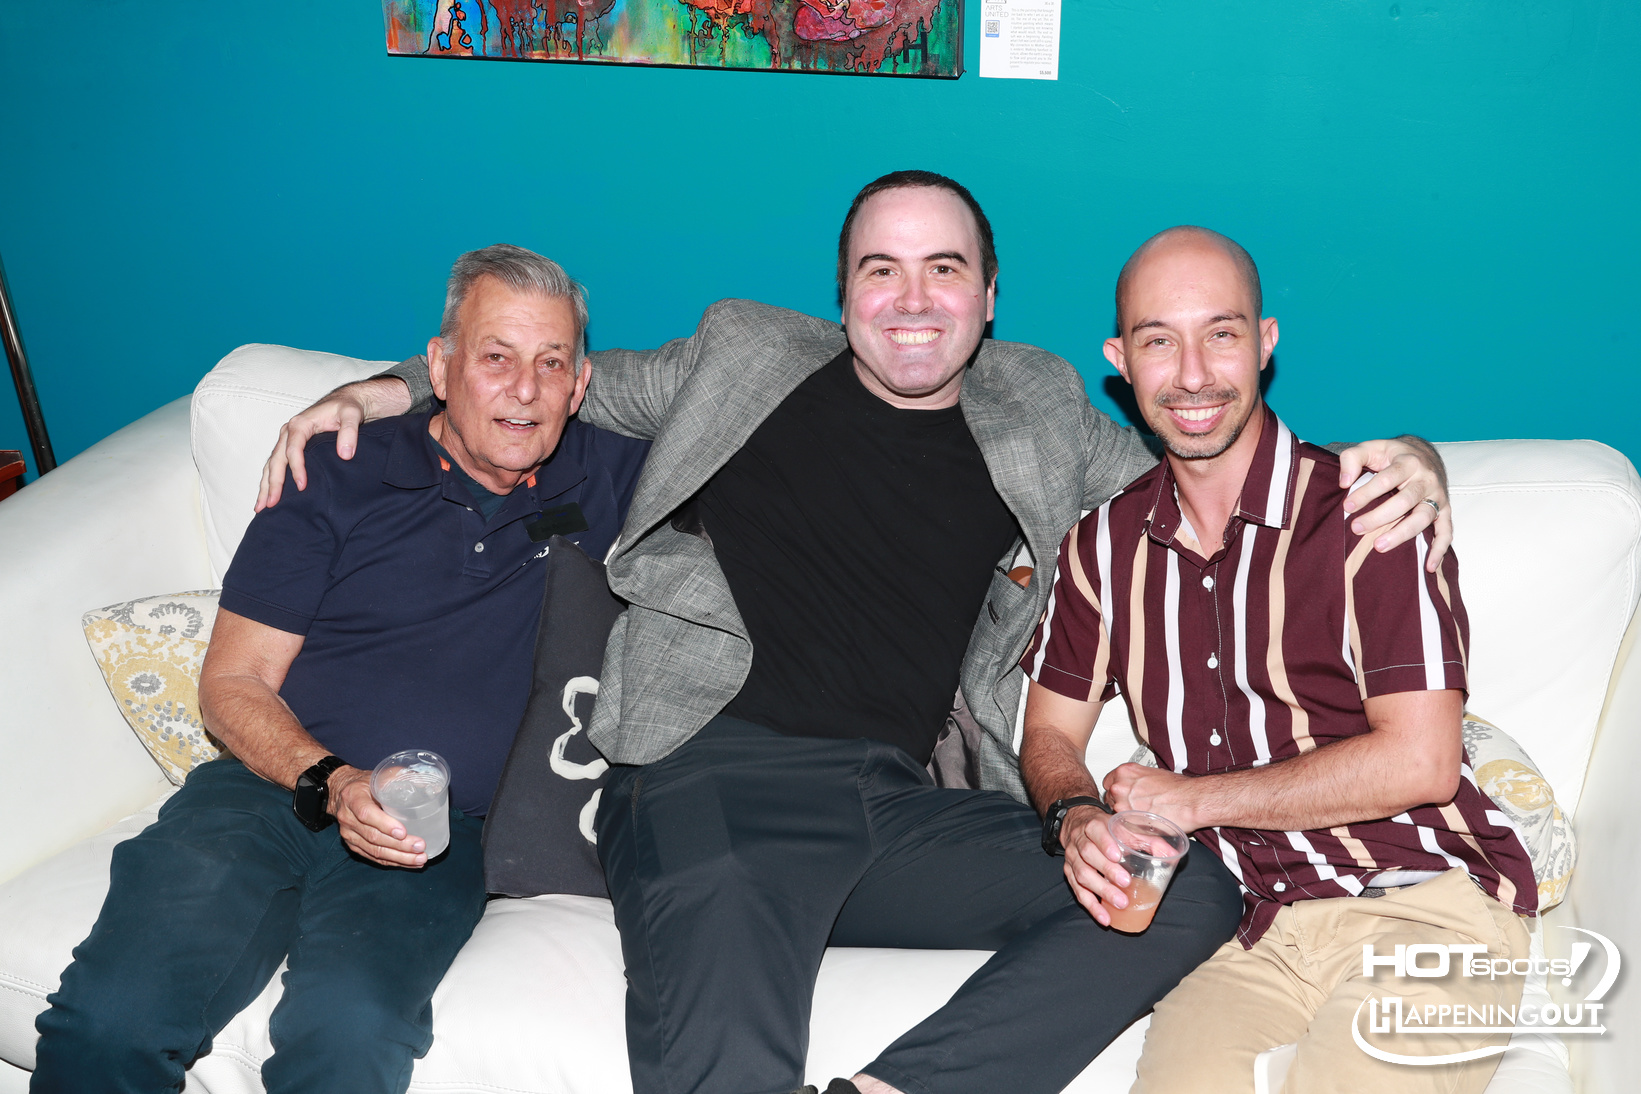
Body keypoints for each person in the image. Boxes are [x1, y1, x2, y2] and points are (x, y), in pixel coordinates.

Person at [257, 172, 1454, 1094]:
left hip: (892, 803)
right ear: (843, 296)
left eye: (946, 269)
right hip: (706, 771)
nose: (915, 299)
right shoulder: (739, 357)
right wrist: (372, 391)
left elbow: (1214, 444)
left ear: (989, 297)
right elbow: (531, 381)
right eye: (882, 270)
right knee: (723, 1052)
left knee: (1180, 888)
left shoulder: (1037, 405)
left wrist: (1416, 459)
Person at [30, 245, 649, 1094]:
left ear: (580, 386)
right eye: (494, 357)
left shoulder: (622, 478)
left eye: (552, 364)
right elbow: (232, 684)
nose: (525, 389)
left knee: (349, 1043)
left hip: (443, 832)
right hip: (269, 788)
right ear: (438, 367)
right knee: (109, 1022)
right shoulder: (338, 467)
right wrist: (331, 781)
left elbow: (767, 398)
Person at [1019, 226, 1535, 1094]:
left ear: (1263, 344)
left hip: (1421, 903)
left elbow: (1422, 760)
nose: (1190, 373)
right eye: (1157, 340)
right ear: (1119, 359)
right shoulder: (1101, 547)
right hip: (1241, 934)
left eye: (1220, 333)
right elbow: (1045, 731)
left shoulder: (1369, 513)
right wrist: (1074, 818)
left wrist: (1193, 799)